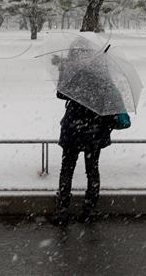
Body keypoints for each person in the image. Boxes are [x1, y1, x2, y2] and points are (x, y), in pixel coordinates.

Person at [53, 90, 118, 225]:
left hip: (73, 131)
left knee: (66, 170)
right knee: (92, 170)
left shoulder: (75, 78)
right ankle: (89, 210)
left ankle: (63, 210)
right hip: (94, 132)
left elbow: (60, 93)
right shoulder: (103, 81)